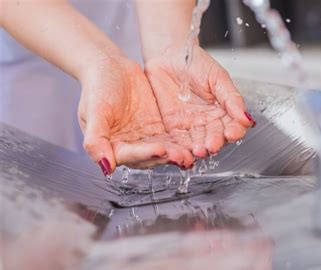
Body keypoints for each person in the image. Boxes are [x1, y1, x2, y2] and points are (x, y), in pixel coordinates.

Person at [0, 0, 256, 176]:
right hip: (26, 42)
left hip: (137, 42)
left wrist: (172, 46)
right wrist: (98, 61)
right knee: (42, 231)